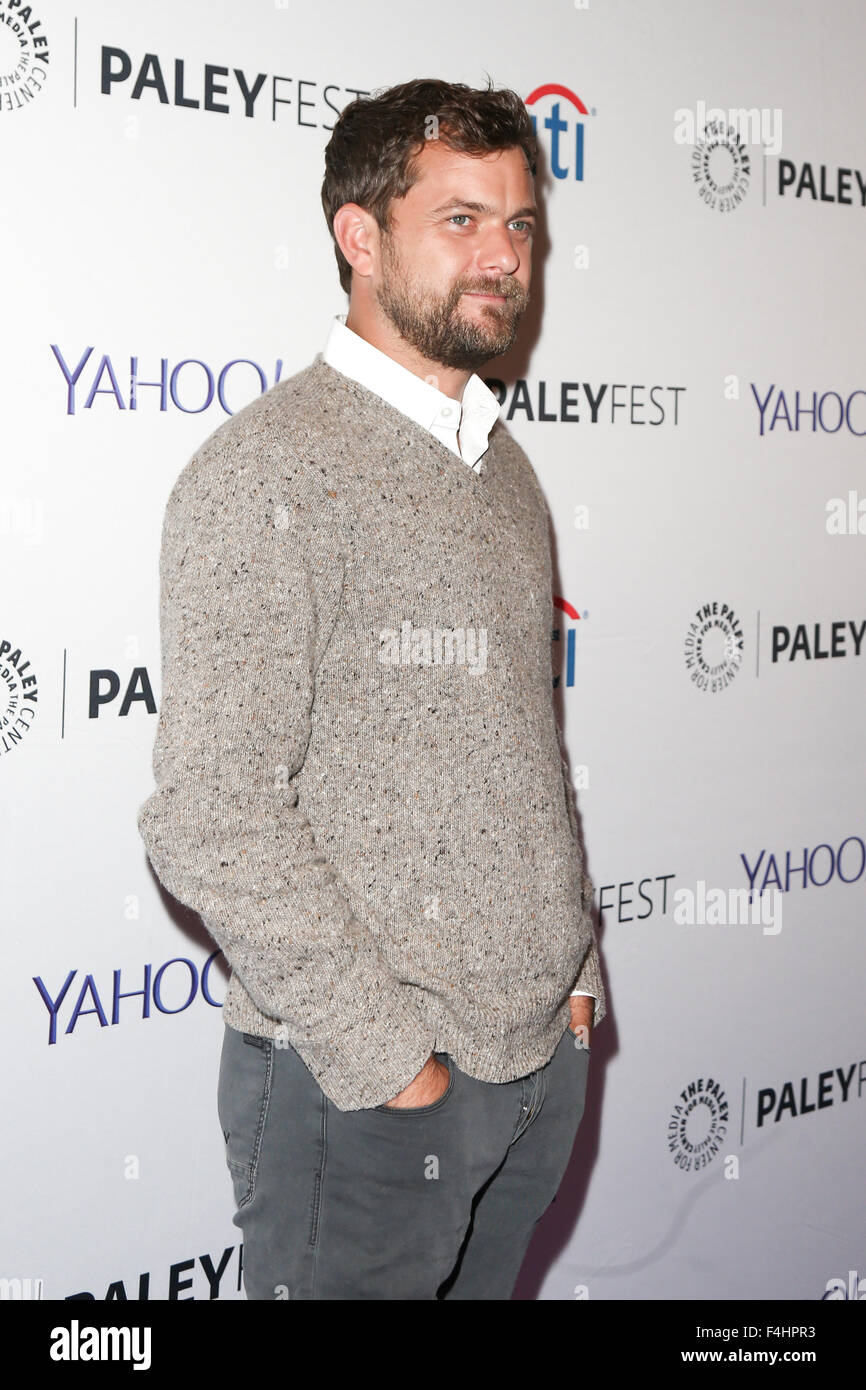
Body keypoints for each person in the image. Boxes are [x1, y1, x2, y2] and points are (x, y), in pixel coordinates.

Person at [137, 76, 606, 1301]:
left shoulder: (505, 471)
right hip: (363, 1105)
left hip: (531, 1066)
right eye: (460, 220)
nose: (503, 256)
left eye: (517, 224)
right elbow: (209, 812)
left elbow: (519, 751)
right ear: (360, 236)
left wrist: (575, 974)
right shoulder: (263, 474)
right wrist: (394, 1063)